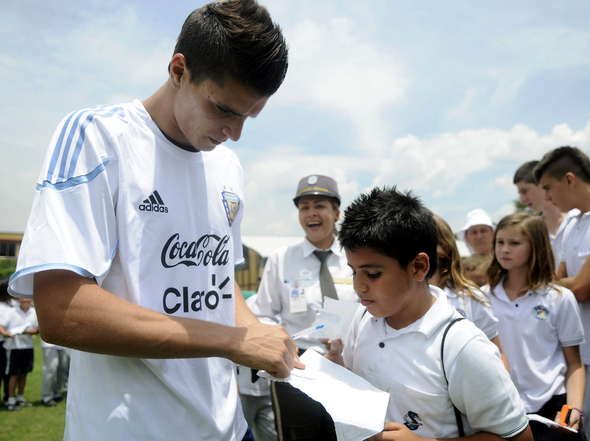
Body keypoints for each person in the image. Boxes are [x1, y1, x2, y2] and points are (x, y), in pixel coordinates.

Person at [8, 1, 300, 440]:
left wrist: (256, 330)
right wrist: (233, 342)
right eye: (224, 110)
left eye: (249, 116)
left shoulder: (227, 167)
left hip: (227, 427)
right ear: (179, 70)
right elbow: (62, 310)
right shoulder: (98, 136)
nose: (234, 133)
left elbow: (216, 282)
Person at [330, 186, 532, 440]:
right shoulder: (362, 319)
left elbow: (518, 436)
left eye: (372, 274)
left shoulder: (461, 346)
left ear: (418, 267)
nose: (359, 286)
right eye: (353, 271)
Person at [252, 174, 358, 441]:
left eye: (320, 206)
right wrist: (283, 351)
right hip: (298, 370)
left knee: (353, 435)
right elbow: (263, 313)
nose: (311, 213)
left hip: (352, 366)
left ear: (336, 212)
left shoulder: (356, 255)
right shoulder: (280, 259)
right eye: (304, 207)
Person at [486, 212, 585, 440]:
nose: (504, 249)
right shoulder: (482, 299)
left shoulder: (559, 297)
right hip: (504, 410)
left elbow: (574, 364)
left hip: (554, 406)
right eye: (499, 242)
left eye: (514, 243)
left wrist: (574, 409)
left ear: (536, 247)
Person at [534, 145, 590, 441]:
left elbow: (579, 288)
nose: (547, 198)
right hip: (580, 356)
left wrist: (561, 284)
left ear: (570, 179)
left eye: (548, 187)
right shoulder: (573, 225)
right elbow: (555, 282)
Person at [430, 214, 502, 346]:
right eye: (474, 232)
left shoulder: (471, 298)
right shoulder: (399, 299)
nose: (479, 236)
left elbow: (496, 350)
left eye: (483, 230)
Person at [513, 160, 578, 267]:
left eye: (525, 191)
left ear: (542, 184)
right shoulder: (530, 230)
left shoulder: (577, 219)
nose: (522, 199)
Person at [4, 298, 38, 411]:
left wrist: (24, 332)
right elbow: (2, 326)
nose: (25, 300)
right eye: (22, 298)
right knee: (14, 375)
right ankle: (10, 401)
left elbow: (37, 329)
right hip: (14, 347)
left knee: (24, 373)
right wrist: (7, 334)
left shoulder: (34, 312)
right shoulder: (11, 312)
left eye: (27, 298)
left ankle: (20, 397)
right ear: (19, 300)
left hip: (28, 347)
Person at [40, 338, 70, 406]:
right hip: (49, 344)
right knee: (50, 369)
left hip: (62, 344)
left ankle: (56, 393)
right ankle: (46, 397)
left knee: (62, 369)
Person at [0, 279, 16, 406]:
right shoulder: (3, 307)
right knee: (4, 371)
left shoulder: (10, 306)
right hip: (3, 342)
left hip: (7, 343)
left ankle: (7, 397)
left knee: (7, 371)